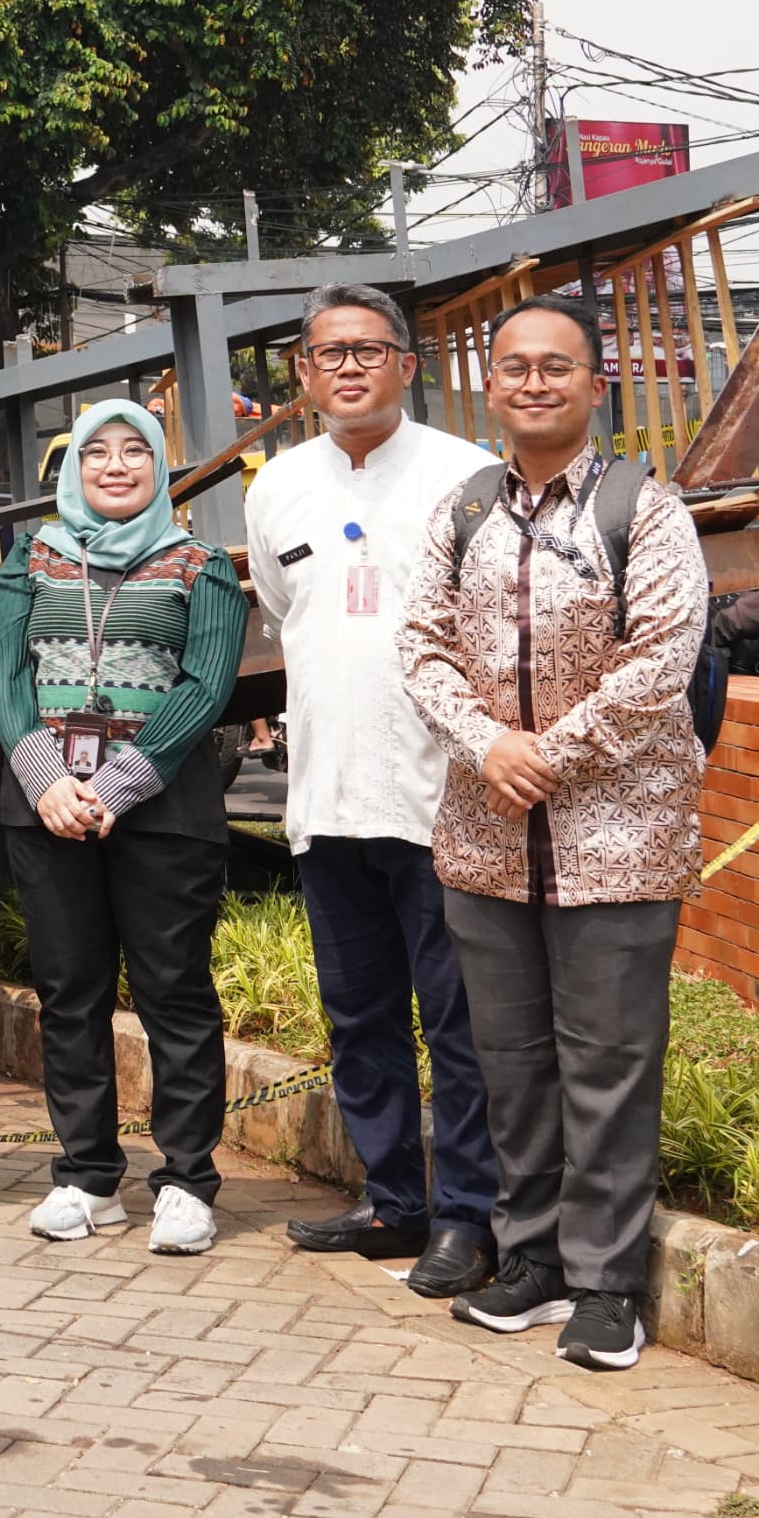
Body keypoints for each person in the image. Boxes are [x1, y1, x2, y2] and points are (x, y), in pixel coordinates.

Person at [401, 295, 708, 1373]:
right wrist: (487, 743)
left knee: (609, 1065)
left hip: (619, 841)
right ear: (488, 383)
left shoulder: (644, 510)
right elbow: (419, 646)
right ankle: (525, 1258)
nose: (533, 382)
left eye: (556, 367)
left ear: (594, 383)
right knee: (510, 1062)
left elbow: (657, 662)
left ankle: (604, 1285)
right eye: (514, 367)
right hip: (485, 839)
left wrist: (549, 753)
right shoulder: (463, 511)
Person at [241, 286, 500, 1292]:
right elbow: (281, 607)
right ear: (302, 377)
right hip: (328, 797)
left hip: (443, 798)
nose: (346, 368)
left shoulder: (463, 476)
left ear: (405, 363)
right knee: (358, 1017)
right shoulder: (278, 489)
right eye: (325, 354)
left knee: (456, 1022)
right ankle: (393, 1198)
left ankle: (467, 1215)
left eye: (367, 350)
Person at [0, 399, 250, 1257]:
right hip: (48, 806)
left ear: (159, 468)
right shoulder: (32, 557)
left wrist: (124, 781)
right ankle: (86, 1175)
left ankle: (185, 1181)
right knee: (70, 992)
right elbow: (3, 669)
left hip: (164, 813)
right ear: (72, 470)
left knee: (174, 991)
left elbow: (206, 684)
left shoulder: (199, 564)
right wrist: (46, 776)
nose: (116, 465)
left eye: (136, 450)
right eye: (97, 451)